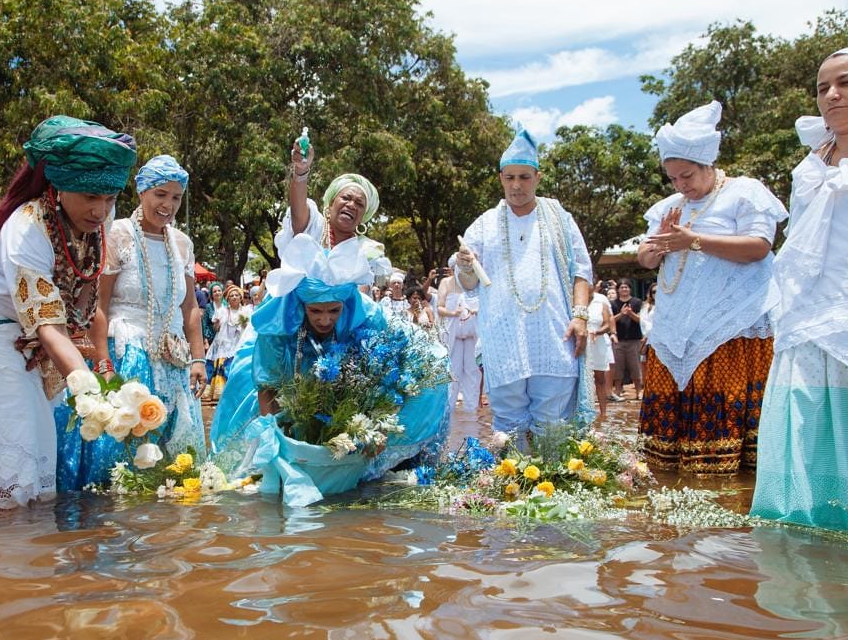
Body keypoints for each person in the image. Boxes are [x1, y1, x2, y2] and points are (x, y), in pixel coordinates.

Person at [0, 115, 137, 510]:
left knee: (42, 435)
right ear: (58, 188)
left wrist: (103, 371)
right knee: (16, 440)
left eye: (110, 199)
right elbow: (48, 325)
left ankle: (32, 541)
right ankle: (8, 541)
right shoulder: (26, 229)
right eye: (90, 198)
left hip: (40, 333)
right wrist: (92, 393)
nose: (100, 211)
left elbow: (84, 306)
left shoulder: (95, 220)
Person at [210, 234, 448, 505]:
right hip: (289, 389)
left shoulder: (367, 316)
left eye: (334, 311)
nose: (325, 319)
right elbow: (268, 388)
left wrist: (378, 430)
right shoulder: (277, 329)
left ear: (345, 306)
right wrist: (276, 440)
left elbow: (426, 357)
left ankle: (368, 469)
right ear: (302, 308)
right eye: (316, 312)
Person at [636, 101, 786, 475]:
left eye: (687, 175)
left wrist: (693, 241)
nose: (681, 185)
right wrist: (656, 248)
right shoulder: (669, 206)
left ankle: (733, 515)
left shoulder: (744, 192)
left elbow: (759, 247)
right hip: (675, 331)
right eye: (673, 179)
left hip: (732, 330)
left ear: (708, 165)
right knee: (666, 466)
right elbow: (645, 257)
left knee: (734, 456)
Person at [751, 47, 848, 531]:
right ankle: (804, 549)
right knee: (803, 423)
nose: (832, 95)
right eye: (822, 88)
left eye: (847, 82)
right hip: (803, 320)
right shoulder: (810, 166)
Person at [56, 154, 207, 491]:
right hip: (127, 355)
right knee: (122, 459)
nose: (168, 205)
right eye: (160, 194)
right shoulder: (117, 234)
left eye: (176, 197)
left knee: (178, 469)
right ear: (141, 193)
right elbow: (100, 306)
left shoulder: (182, 244)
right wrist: (104, 362)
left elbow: (190, 308)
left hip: (174, 360)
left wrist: (198, 359)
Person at [455, 122, 595, 437]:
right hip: (503, 343)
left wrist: (581, 316)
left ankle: (555, 487)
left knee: (553, 429)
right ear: (501, 179)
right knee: (508, 430)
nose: (516, 186)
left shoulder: (560, 218)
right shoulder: (484, 224)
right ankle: (511, 486)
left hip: (554, 340)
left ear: (538, 178)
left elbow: (581, 271)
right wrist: (465, 265)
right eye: (510, 178)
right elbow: (467, 282)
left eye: (524, 177)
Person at [275, 135, 392, 280]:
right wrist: (301, 170)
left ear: (363, 217)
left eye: (359, 204)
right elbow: (297, 213)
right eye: (346, 198)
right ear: (330, 205)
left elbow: (361, 292)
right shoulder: (315, 227)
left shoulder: (365, 251)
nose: (351, 205)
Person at [438, 255, 480, 416]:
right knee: (453, 372)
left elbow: (481, 303)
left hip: (471, 334)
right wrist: (453, 313)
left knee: (472, 371)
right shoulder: (446, 283)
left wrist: (475, 311)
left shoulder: (473, 282)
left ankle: (472, 409)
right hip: (453, 335)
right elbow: (440, 307)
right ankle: (449, 410)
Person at [203, 284, 250, 401]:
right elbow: (216, 329)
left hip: (239, 344)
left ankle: (237, 394)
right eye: (231, 296)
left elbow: (250, 329)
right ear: (228, 299)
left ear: (241, 298)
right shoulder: (222, 311)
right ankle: (220, 394)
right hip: (223, 344)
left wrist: (245, 324)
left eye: (236, 295)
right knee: (223, 367)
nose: (234, 297)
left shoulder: (246, 311)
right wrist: (217, 324)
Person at [586, 281, 617, 423]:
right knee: (583, 378)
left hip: (598, 343)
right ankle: (585, 410)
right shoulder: (574, 299)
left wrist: (596, 332)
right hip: (582, 341)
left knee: (600, 378)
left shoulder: (601, 301)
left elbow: (607, 323)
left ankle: (603, 412)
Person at [610, 278, 643, 401]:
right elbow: (610, 320)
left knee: (635, 366)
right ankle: (617, 390)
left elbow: (641, 320)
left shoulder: (637, 302)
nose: (624, 289)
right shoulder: (613, 304)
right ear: (617, 289)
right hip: (618, 339)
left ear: (630, 289)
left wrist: (630, 314)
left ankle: (639, 391)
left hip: (634, 339)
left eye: (626, 287)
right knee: (618, 368)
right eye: (622, 287)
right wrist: (622, 314)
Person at [639, 282, 657, 387]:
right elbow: (644, 323)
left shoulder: (668, 305)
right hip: (649, 341)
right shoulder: (646, 306)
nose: (656, 294)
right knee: (648, 367)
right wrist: (646, 336)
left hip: (663, 342)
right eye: (654, 292)